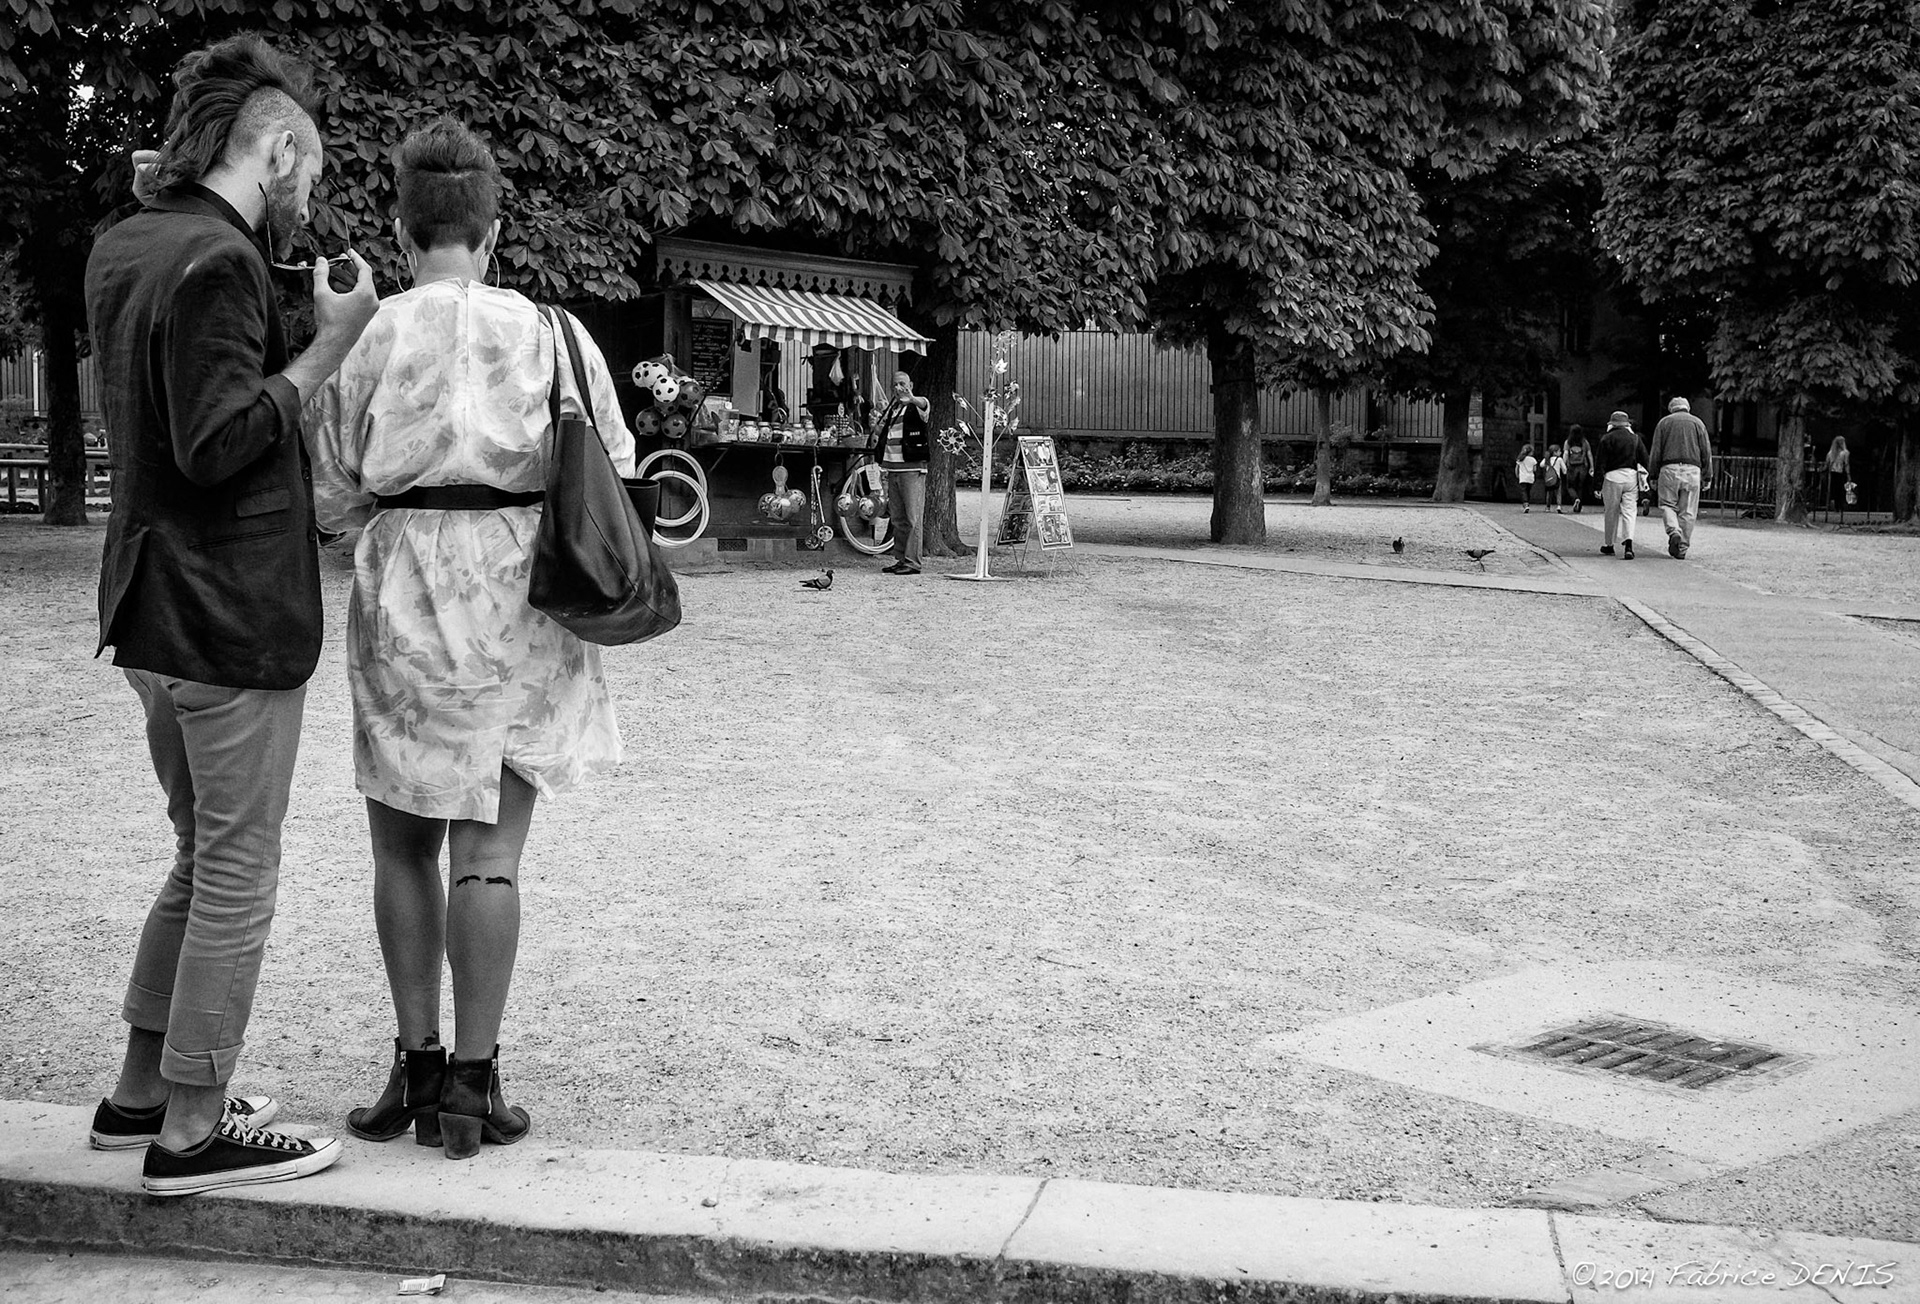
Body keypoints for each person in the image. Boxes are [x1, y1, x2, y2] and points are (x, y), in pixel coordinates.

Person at [83, 35, 379, 1196]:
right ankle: (194, 1130)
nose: (312, 196)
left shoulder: (128, 242)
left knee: (197, 856)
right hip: (225, 620)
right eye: (309, 169)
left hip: (151, 610)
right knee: (237, 874)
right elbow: (216, 442)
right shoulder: (220, 261)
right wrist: (331, 345)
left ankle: (139, 1091)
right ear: (277, 147)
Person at [305, 118, 631, 1161]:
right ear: (493, 228)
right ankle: (477, 1085)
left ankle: (417, 1061)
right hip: (521, 583)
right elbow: (610, 458)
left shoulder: (366, 332)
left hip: (402, 575)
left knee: (401, 839)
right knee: (489, 847)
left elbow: (325, 490)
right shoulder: (555, 332)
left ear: (405, 229)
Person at [871, 370, 931, 572]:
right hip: (892, 467)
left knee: (912, 516)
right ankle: (901, 559)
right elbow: (885, 433)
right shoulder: (893, 408)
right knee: (897, 517)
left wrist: (911, 398)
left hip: (912, 468)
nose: (898, 388)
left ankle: (913, 562)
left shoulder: (917, 404)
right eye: (895, 385)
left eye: (902, 384)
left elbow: (924, 404)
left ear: (911, 384)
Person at [1647, 396, 1714, 559]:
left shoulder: (1664, 423)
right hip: (1692, 469)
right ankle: (1682, 548)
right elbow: (1706, 451)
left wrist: (1653, 474)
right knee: (1688, 510)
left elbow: (1656, 451)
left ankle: (1674, 530)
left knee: (1667, 504)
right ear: (1687, 408)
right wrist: (1708, 475)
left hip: (1669, 468)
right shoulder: (1698, 423)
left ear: (1671, 409)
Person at [1595, 411, 1647, 560]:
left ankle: (1609, 544)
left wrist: (1597, 486)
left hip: (1612, 478)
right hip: (1631, 477)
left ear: (1612, 424)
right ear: (1627, 424)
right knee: (1630, 511)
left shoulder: (1606, 439)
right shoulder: (1635, 439)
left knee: (1611, 511)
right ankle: (1629, 543)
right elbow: (1644, 459)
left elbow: (1600, 463)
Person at [1561, 426, 1594, 513]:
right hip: (1582, 466)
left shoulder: (1568, 442)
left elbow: (1566, 453)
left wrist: (1563, 465)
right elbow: (1589, 454)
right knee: (1580, 486)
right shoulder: (1584, 442)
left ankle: (1575, 499)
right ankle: (1578, 506)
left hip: (1571, 467)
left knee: (1570, 486)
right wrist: (1592, 466)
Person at [1823, 437, 1852, 516]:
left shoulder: (1830, 453)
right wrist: (1848, 475)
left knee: (1833, 489)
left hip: (1832, 473)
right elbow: (1846, 464)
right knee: (1840, 489)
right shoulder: (1845, 453)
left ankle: (1835, 505)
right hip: (1840, 472)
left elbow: (1826, 464)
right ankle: (1840, 506)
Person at [1542, 443, 1566, 512]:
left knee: (1549, 493)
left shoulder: (1547, 459)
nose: (1560, 452)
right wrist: (1564, 473)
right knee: (1558, 492)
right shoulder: (1559, 459)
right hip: (1557, 479)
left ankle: (1547, 507)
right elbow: (1564, 469)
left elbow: (1541, 465)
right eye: (1559, 451)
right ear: (1555, 452)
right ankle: (1559, 506)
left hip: (1549, 479)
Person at [1514, 442, 1538, 512]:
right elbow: (1535, 469)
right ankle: (1527, 502)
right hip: (1530, 478)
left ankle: (1525, 503)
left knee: (1523, 491)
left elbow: (1517, 468)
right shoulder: (1533, 460)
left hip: (1523, 477)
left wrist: (1517, 475)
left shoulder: (1520, 459)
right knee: (1528, 491)